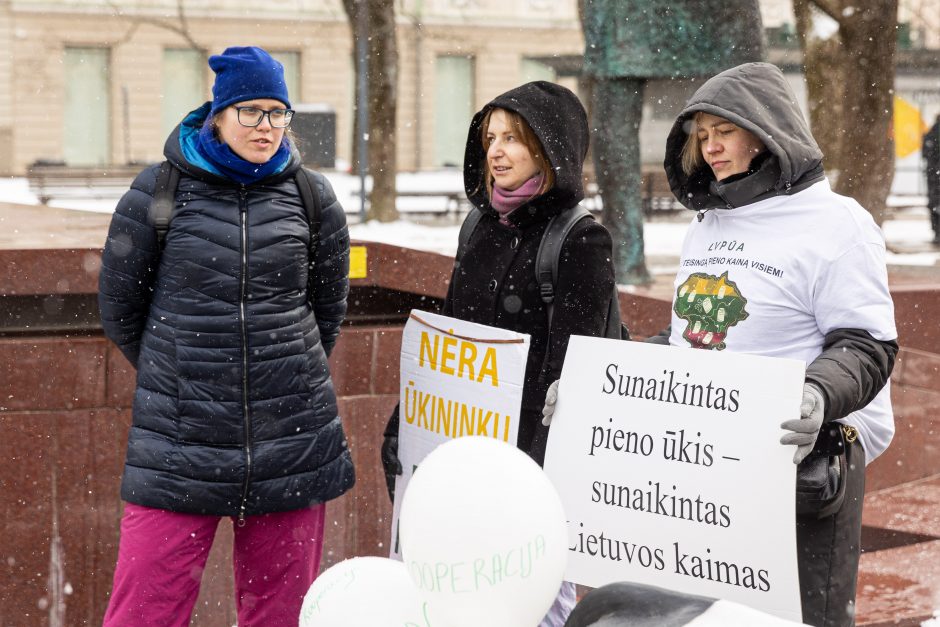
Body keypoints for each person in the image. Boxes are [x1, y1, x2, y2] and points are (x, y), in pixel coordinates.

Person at [97, 46, 354, 626]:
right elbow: (120, 307)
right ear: (218, 113)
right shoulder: (157, 192)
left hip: (290, 437)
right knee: (145, 610)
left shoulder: (313, 198)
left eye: (277, 113)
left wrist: (279, 374)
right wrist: (184, 372)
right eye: (250, 111)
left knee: (281, 615)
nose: (266, 127)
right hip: (178, 439)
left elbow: (326, 309)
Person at [652, 62, 898, 627]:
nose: (711, 148)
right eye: (701, 136)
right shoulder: (707, 225)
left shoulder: (837, 224)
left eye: (724, 131)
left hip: (797, 462)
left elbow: (868, 344)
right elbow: (685, 338)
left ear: (763, 130)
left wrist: (815, 394)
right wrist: (600, 386)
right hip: (703, 458)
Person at [382, 81, 616, 626]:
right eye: (491, 137)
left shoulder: (580, 241)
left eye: (513, 138)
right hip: (460, 452)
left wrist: (530, 474)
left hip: (528, 469)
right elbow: (448, 340)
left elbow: (572, 371)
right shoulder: (479, 226)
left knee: (531, 603)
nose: (496, 151)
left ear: (548, 147)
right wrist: (406, 423)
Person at [924, 113, 940, 244]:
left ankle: (937, 233)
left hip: (933, 175)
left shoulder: (931, 133)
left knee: (934, 203)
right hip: (934, 173)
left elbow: (925, 153)